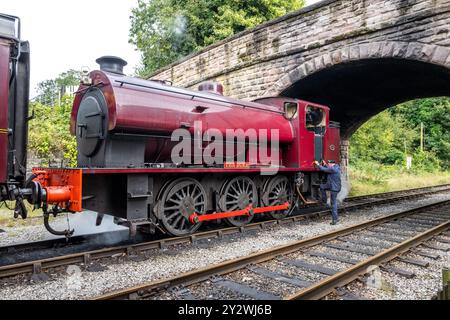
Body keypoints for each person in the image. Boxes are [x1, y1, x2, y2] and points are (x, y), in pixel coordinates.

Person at [314, 160, 342, 225]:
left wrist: (318, 164)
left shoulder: (333, 169)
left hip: (334, 188)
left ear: (332, 164)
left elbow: (324, 169)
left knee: (333, 203)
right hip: (332, 185)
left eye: (329, 164)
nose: (328, 165)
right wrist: (325, 164)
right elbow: (329, 168)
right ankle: (324, 200)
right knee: (322, 187)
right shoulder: (335, 167)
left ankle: (335, 220)